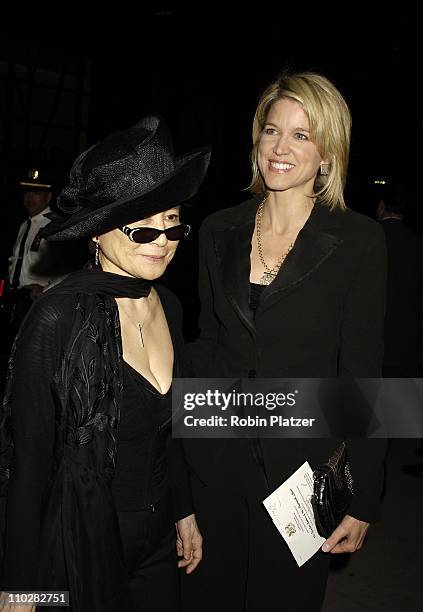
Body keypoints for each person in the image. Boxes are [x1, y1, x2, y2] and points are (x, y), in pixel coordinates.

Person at [181, 72, 388, 611]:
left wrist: (364, 497)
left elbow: (363, 373)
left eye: (301, 135)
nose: (280, 147)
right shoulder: (217, 230)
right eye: (272, 130)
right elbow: (205, 348)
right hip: (215, 463)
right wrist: (178, 471)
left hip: (302, 473)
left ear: (327, 152)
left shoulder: (358, 240)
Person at [0, 116, 210, 611]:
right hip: (77, 548)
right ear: (98, 232)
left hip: (158, 541)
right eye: (142, 227)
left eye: (173, 221)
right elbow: (25, 466)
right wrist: (19, 588)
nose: (162, 241)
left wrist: (184, 513)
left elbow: (171, 430)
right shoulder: (57, 319)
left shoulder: (171, 306)